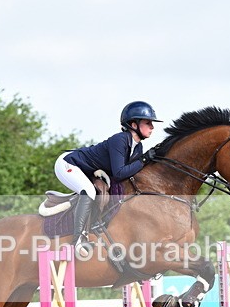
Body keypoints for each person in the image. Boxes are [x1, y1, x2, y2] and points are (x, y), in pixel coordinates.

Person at [54, 101, 161, 253]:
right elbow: (119, 172)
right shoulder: (121, 139)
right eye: (148, 122)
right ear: (134, 124)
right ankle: (77, 240)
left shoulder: (138, 147)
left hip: (89, 170)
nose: (152, 127)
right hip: (68, 164)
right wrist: (144, 160)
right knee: (89, 191)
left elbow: (128, 173)